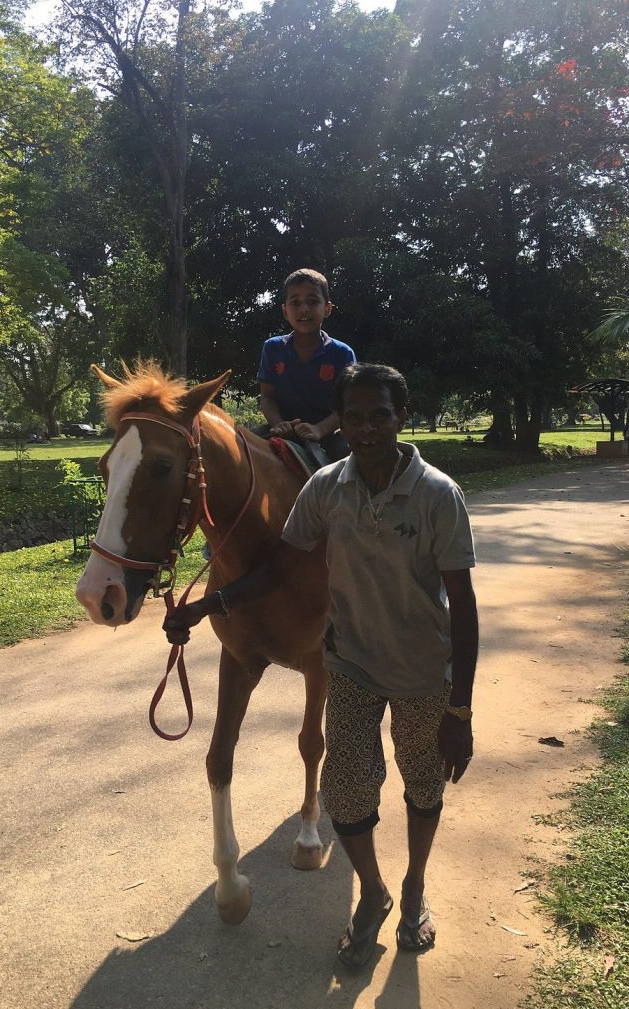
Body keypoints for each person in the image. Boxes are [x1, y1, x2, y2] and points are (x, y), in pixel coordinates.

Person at [165, 363, 478, 968]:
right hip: (352, 665)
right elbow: (280, 567)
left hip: (419, 668)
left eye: (378, 416)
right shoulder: (327, 487)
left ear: (400, 419)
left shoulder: (439, 494)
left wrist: (460, 707)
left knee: (422, 785)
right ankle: (373, 893)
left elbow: (462, 605)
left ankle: (414, 888)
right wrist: (209, 604)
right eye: (354, 417)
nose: (365, 429)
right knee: (344, 788)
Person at [257, 268, 356, 462]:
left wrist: (319, 429)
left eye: (313, 301)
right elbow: (267, 397)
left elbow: (348, 405)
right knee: (241, 448)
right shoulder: (272, 348)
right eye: (295, 302)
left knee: (351, 460)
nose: (304, 308)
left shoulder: (342, 353)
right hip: (281, 428)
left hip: (328, 435)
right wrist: (279, 424)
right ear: (285, 310)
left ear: (327, 308)